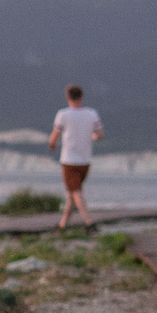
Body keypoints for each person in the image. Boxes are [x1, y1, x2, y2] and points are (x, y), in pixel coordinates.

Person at [48, 85, 103, 230]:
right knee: (72, 192)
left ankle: (89, 222)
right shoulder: (92, 114)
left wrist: (52, 145)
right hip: (85, 161)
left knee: (76, 192)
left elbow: (54, 137)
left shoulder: (63, 115)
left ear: (67, 97)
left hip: (69, 160)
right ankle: (62, 225)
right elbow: (100, 134)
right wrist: (94, 136)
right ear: (81, 97)